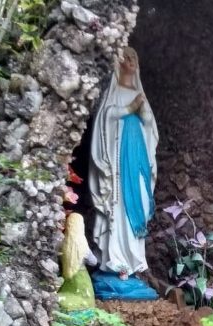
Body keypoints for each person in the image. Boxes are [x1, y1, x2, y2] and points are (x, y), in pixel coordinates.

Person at [88, 46, 158, 279]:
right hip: (118, 160)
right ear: (118, 63)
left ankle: (134, 259)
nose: (131, 60)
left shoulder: (139, 93)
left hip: (137, 157)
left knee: (140, 201)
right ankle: (118, 261)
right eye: (126, 57)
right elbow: (106, 119)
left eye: (134, 57)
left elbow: (149, 125)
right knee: (118, 206)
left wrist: (142, 109)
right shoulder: (114, 92)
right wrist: (130, 108)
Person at [58, 212, 97, 312]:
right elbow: (93, 262)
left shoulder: (63, 244)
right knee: (86, 300)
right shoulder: (82, 245)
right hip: (81, 279)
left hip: (67, 278)